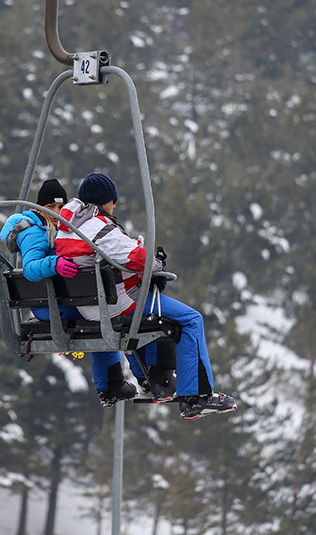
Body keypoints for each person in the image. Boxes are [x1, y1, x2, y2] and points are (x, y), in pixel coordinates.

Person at [57, 172, 238, 421]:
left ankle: (152, 380)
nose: (114, 207)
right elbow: (139, 259)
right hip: (115, 306)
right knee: (190, 319)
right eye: (113, 201)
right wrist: (157, 262)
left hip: (88, 307)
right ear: (105, 201)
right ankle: (196, 396)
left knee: (155, 314)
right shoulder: (99, 228)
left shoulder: (66, 229)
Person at [0, 179, 172, 408]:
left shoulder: (59, 229)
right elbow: (31, 269)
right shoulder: (33, 231)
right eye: (50, 207)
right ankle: (137, 378)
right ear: (39, 208)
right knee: (114, 317)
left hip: (65, 298)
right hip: (50, 306)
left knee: (104, 316)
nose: (57, 212)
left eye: (61, 207)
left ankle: (113, 383)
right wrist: (55, 263)